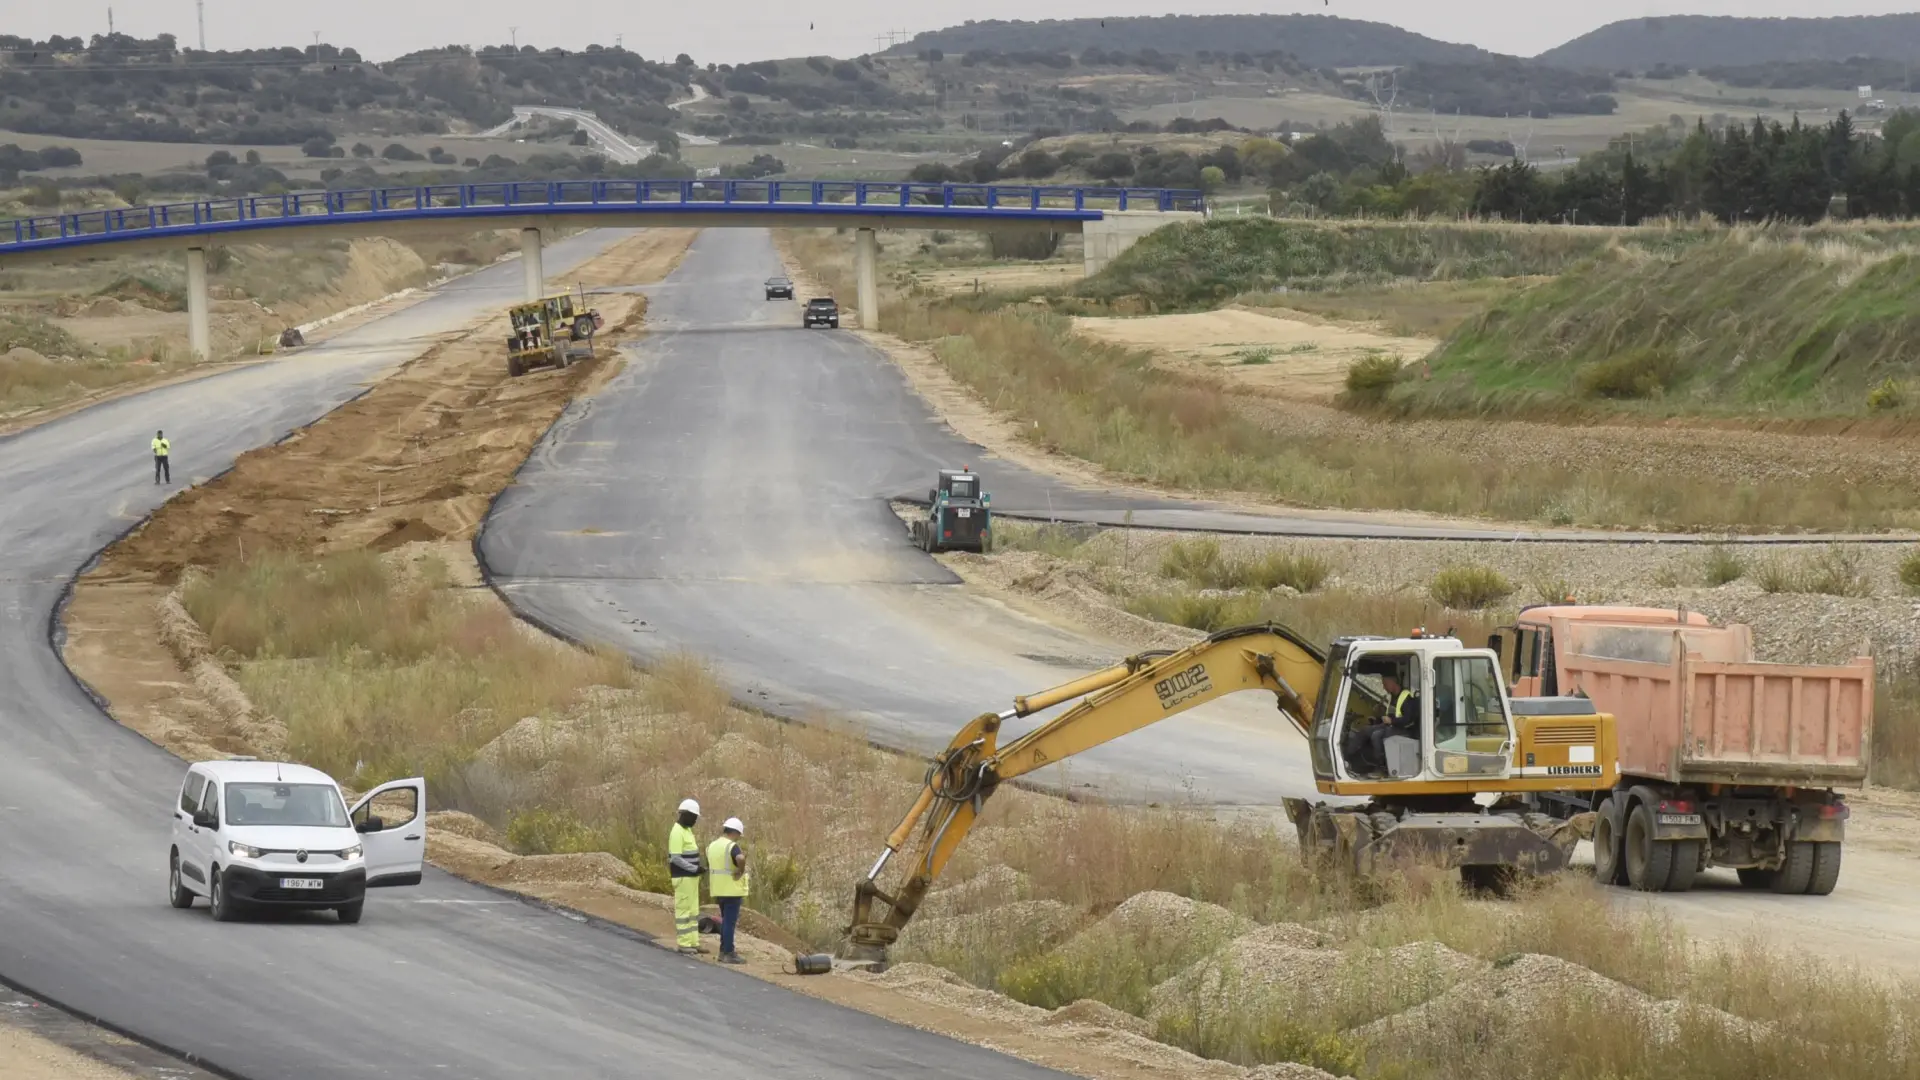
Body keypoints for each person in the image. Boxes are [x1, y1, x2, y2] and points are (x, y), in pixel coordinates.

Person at [705, 817, 750, 965]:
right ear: (735, 832)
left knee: (725, 921)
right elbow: (740, 858)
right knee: (729, 923)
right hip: (731, 889)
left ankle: (723, 951)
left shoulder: (712, 846)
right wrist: (740, 870)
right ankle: (728, 952)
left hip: (718, 889)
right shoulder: (731, 846)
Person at [667, 798, 705, 954]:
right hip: (683, 877)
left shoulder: (687, 831)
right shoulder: (677, 832)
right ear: (685, 815)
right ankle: (684, 944)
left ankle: (693, 942)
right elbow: (675, 858)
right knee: (683, 910)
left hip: (691, 878)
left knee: (693, 911)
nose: (695, 820)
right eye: (693, 817)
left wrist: (698, 869)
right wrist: (693, 869)